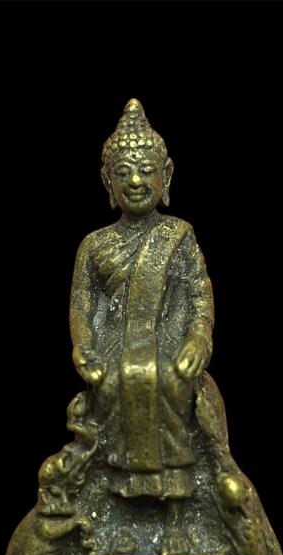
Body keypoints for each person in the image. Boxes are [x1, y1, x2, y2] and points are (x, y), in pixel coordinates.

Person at [70, 99, 215, 500]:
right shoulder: (94, 244)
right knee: (119, 376)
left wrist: (198, 340)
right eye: (123, 172)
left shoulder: (178, 235)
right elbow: (82, 304)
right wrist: (82, 348)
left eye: (146, 170)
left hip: (166, 338)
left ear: (166, 174)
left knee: (170, 375)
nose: (135, 181)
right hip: (114, 342)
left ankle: (178, 486)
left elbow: (199, 295)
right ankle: (119, 486)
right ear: (107, 181)